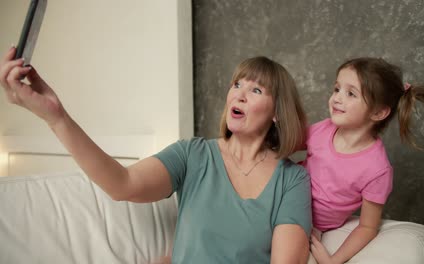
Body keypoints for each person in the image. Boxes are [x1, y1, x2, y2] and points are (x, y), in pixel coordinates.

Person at [0, 49, 312, 263]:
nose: (240, 93)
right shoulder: (192, 155)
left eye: (257, 91)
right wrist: (57, 118)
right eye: (237, 84)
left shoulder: (292, 179)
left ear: (276, 113)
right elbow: (122, 184)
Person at [302, 57, 424, 264]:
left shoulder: (377, 169)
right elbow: (285, 145)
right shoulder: (323, 129)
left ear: (378, 112)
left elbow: (367, 227)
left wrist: (333, 260)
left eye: (350, 93)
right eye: (337, 89)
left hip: (309, 222)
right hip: (287, 196)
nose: (337, 98)